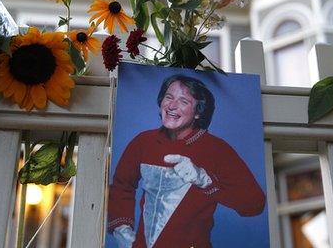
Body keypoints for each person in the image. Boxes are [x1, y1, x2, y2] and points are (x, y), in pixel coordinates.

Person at [108, 74, 266, 248]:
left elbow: (255, 204)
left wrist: (205, 181)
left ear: (198, 112)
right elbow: (122, 186)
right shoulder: (143, 142)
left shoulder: (216, 149)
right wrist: (121, 229)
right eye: (169, 97)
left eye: (184, 101)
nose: (172, 106)